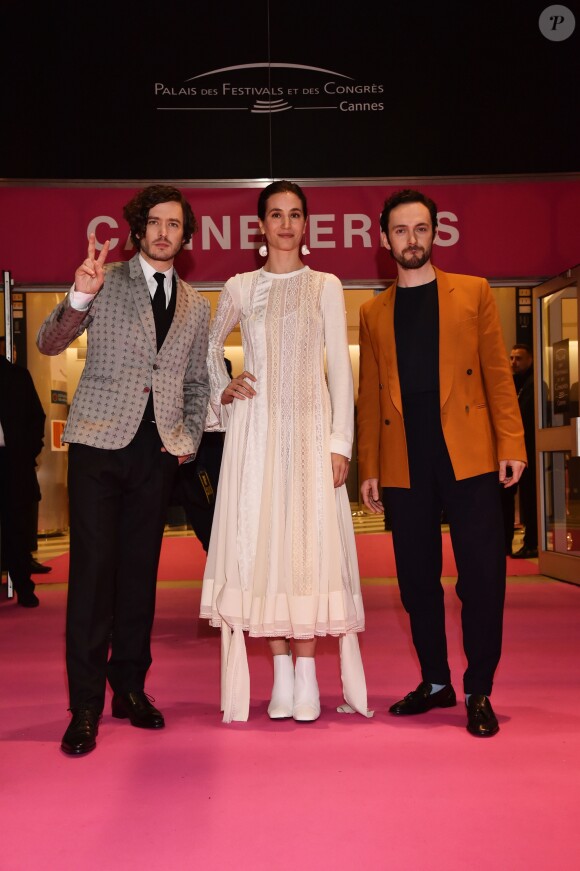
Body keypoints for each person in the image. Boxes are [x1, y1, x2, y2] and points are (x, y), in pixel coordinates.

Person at [37, 185, 210, 755]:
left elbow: (194, 383)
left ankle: (129, 688)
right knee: (92, 578)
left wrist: (183, 439)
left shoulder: (195, 305)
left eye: (174, 225)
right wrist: (79, 297)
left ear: (186, 236)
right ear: (138, 230)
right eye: (154, 223)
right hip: (98, 446)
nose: (164, 233)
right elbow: (47, 341)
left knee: (139, 577)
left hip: (157, 455)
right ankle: (84, 704)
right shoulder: (105, 279)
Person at [357, 189, 526, 737]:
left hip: (471, 456)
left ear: (435, 233)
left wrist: (512, 444)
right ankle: (435, 682)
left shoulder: (473, 293)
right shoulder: (372, 310)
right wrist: (369, 467)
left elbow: (498, 375)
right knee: (415, 583)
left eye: (421, 229)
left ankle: (479, 688)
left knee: (481, 578)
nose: (412, 239)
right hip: (406, 463)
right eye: (401, 231)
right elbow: (370, 396)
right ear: (385, 240)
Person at [200, 180, 370, 723]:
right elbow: (206, 349)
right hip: (256, 435)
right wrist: (222, 390)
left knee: (308, 547)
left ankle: (306, 673)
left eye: (295, 214)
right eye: (276, 214)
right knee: (261, 547)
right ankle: (277, 674)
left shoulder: (326, 284)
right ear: (261, 225)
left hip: (311, 431)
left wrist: (341, 442)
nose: (286, 224)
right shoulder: (240, 287)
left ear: (306, 224)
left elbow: (340, 370)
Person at [171, 358, 232, 552]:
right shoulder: (177, 363)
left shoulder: (220, 363)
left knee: (215, 520)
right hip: (186, 455)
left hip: (213, 451)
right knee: (203, 518)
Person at [0, 349, 46, 607]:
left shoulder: (16, 376)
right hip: (15, 462)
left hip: (12, 463)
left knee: (15, 528)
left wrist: (27, 452)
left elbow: (36, 417)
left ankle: (24, 587)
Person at [507, 344, 539, 558]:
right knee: (509, 497)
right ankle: (508, 542)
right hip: (514, 450)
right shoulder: (512, 384)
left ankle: (532, 543)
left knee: (530, 500)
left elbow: (525, 417)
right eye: (511, 358)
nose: (514, 363)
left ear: (530, 360)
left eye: (518, 358)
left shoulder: (535, 384)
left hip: (530, 450)